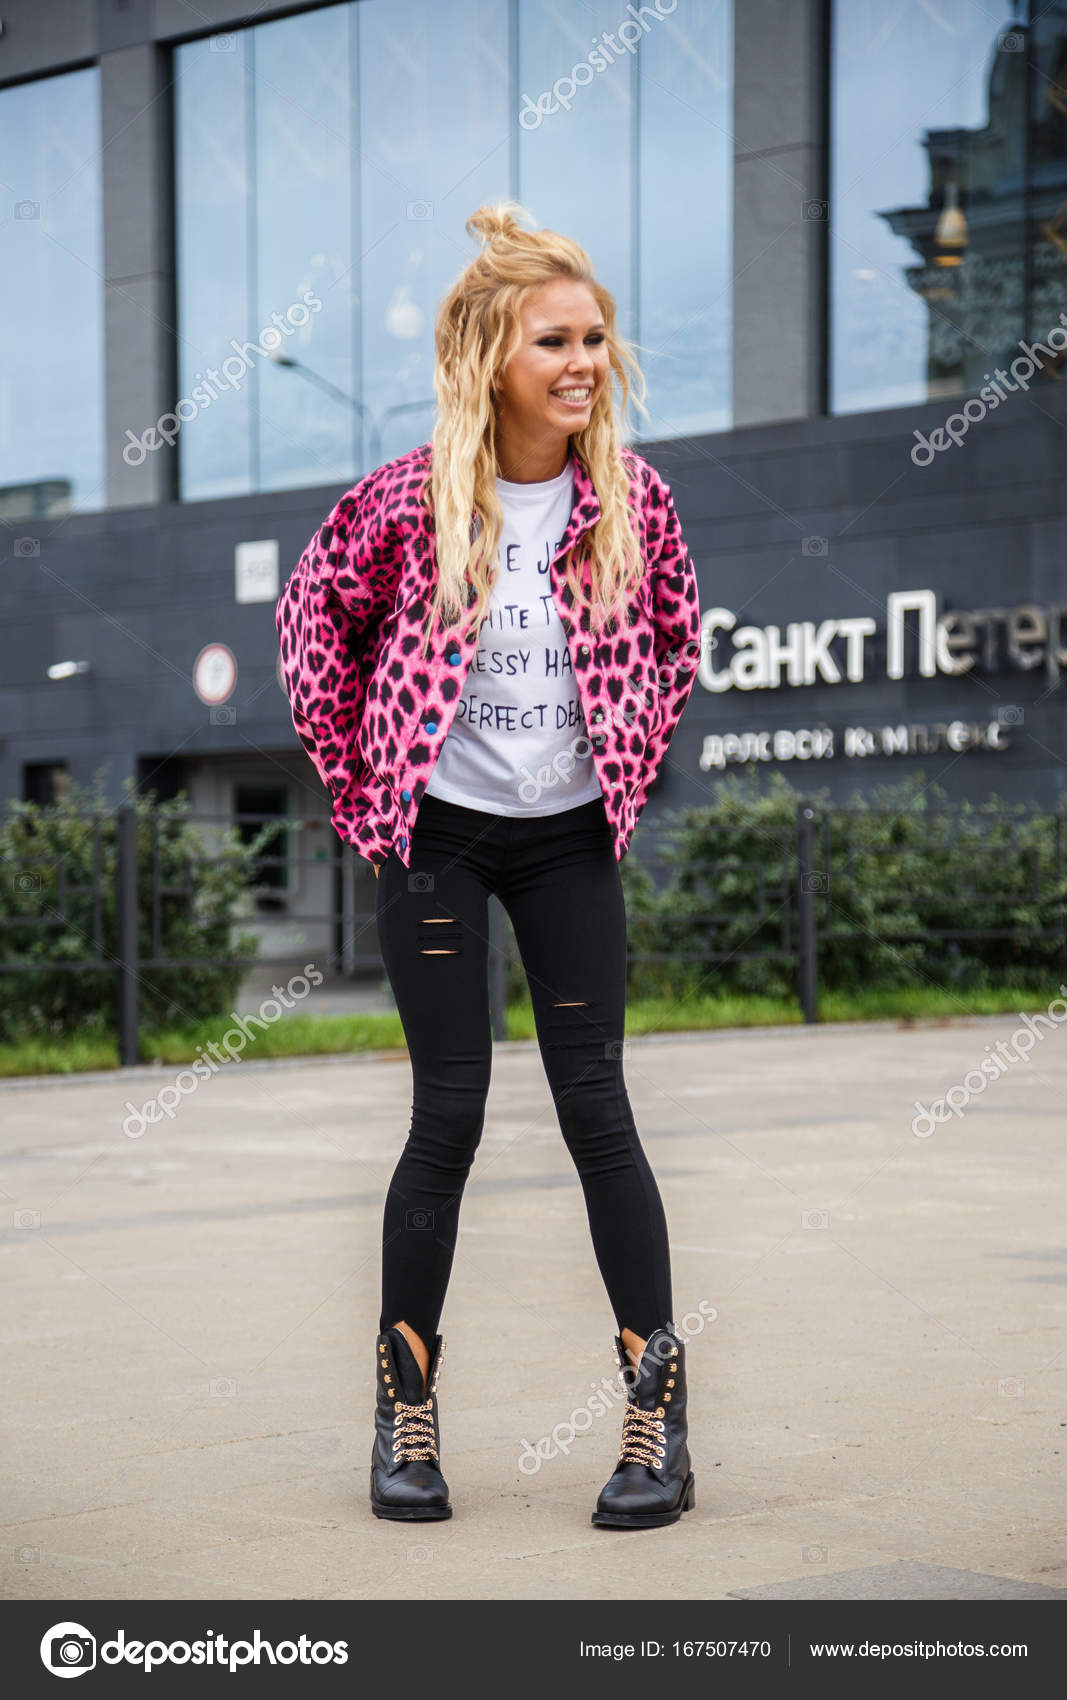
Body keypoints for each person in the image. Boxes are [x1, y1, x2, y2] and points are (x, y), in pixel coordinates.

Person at [276, 201, 703, 1530]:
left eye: (597, 339)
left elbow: (679, 641)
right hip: (440, 837)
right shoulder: (409, 502)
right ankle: (406, 1414)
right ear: (487, 356)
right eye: (555, 341)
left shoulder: (631, 504)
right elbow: (310, 627)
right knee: (447, 1115)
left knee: (597, 1108)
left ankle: (657, 1425)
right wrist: (368, 789)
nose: (583, 363)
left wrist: (623, 756)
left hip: (571, 835)